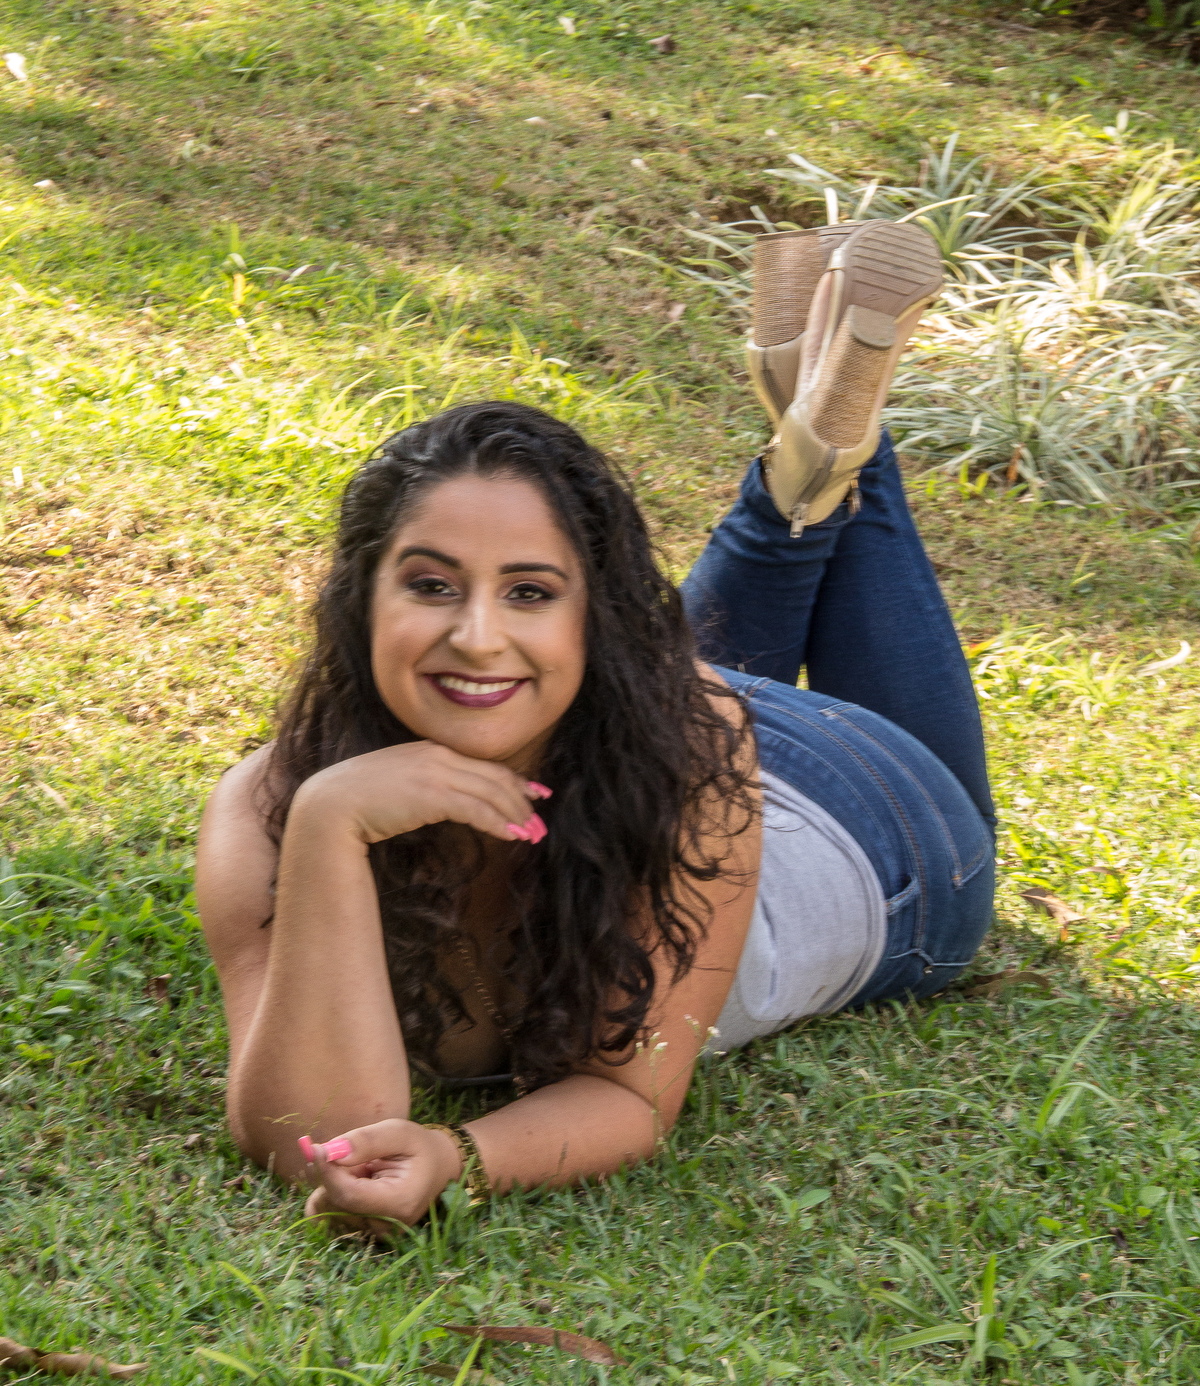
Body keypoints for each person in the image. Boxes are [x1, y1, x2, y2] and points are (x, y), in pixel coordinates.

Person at [196, 219, 995, 1238]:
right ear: (362, 599)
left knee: (721, 712)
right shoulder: (269, 808)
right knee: (653, 676)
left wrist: (461, 1156)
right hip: (638, 700)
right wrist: (328, 829)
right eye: (432, 584)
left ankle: (840, 448)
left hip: (880, 824)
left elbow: (627, 1095)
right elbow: (321, 1133)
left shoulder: (689, 743)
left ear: (594, 621)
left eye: (530, 591)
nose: (476, 635)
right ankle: (820, 440)